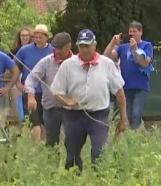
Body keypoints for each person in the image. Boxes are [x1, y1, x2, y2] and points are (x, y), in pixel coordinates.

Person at [50, 29, 127, 171]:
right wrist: (66, 101)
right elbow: (56, 92)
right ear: (77, 47)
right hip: (74, 115)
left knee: (99, 150)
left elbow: (119, 92)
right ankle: (73, 181)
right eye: (81, 46)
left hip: (99, 114)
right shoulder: (67, 65)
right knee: (72, 153)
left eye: (88, 46)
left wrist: (123, 118)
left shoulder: (107, 64)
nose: (85, 50)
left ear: (95, 45)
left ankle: (100, 181)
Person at [24, 32, 73, 148]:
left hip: (71, 108)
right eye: (55, 48)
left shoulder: (76, 62)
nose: (57, 51)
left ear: (69, 46)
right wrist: (31, 97)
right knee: (51, 142)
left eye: (60, 48)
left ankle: (71, 164)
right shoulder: (46, 62)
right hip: (51, 108)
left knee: (72, 141)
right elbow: (30, 79)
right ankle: (52, 165)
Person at [103, 21, 154, 129]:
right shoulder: (123, 47)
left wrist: (135, 49)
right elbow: (106, 57)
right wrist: (112, 43)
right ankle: (131, 136)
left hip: (141, 86)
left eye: (134, 32)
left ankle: (136, 136)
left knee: (136, 113)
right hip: (126, 86)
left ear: (141, 32)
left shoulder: (146, 45)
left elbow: (144, 63)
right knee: (127, 115)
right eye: (130, 32)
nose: (132, 34)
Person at [16, 24, 54, 142]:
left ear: (47, 37)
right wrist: (17, 83)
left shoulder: (53, 50)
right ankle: (36, 148)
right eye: (36, 37)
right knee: (34, 123)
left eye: (40, 37)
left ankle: (45, 147)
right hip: (30, 92)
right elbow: (15, 67)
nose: (37, 39)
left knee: (46, 123)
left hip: (48, 92)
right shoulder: (24, 50)